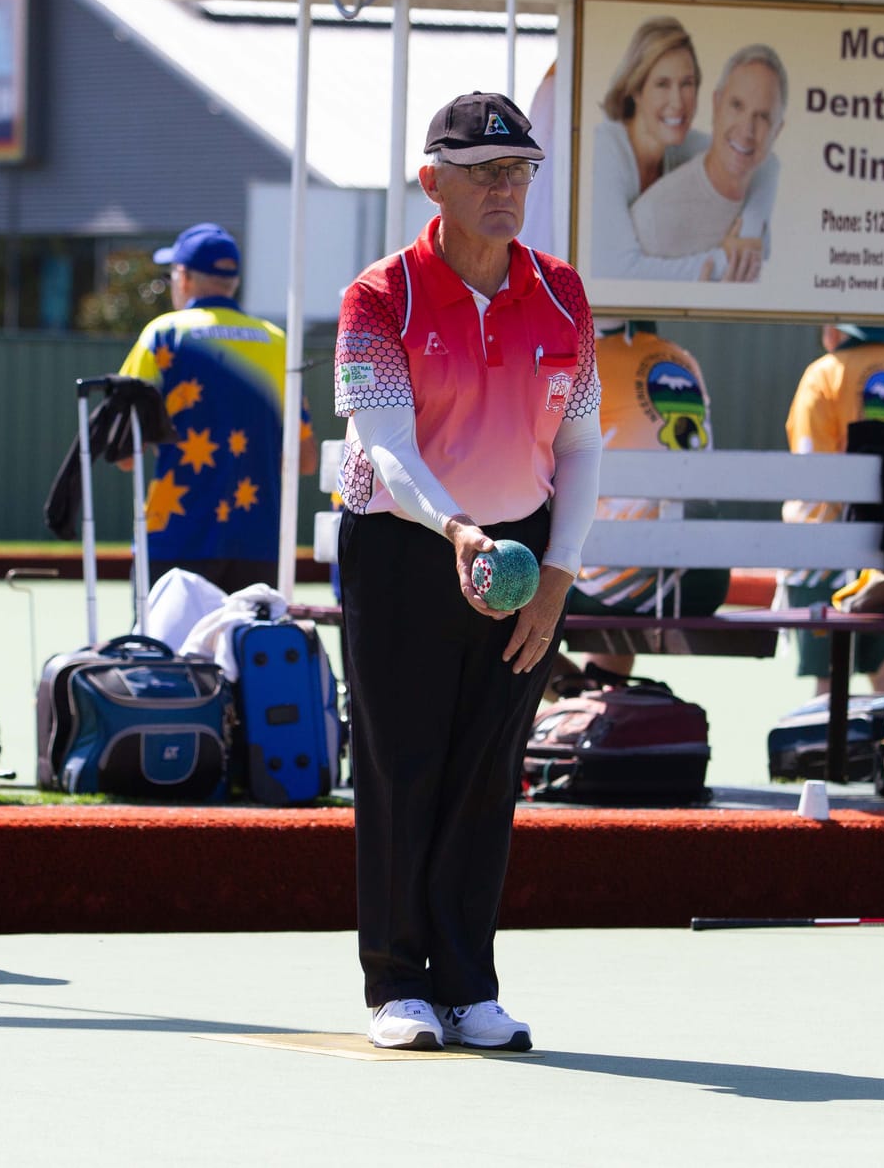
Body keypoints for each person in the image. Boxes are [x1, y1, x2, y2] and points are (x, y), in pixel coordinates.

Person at [334, 91, 602, 1053]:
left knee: (489, 772)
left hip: (522, 556)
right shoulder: (379, 296)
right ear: (431, 180)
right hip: (406, 545)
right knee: (402, 766)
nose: (505, 188)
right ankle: (397, 985)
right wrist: (453, 526)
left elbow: (580, 444)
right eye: (484, 170)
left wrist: (560, 574)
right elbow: (385, 443)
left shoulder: (564, 293)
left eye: (519, 170)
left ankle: (468, 984)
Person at [117, 223, 316, 594]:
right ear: (232, 281)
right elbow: (305, 459)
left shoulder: (163, 334)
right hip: (259, 543)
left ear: (185, 278)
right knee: (244, 651)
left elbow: (124, 451)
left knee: (167, 652)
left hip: (175, 538)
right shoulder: (277, 342)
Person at [781, 324, 884, 699]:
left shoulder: (825, 373)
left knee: (828, 682)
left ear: (835, 328)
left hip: (824, 551)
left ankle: (824, 751)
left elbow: (811, 471)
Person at [566, 319, 729, 680]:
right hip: (705, 580)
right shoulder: (683, 359)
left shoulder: (584, 358)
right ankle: (597, 703)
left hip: (631, 583)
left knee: (508, 594)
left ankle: (571, 697)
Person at [587, 18, 778, 283]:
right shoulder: (606, 151)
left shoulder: (676, 141)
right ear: (636, 90)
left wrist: (748, 234)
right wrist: (725, 261)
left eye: (687, 84)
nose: (677, 102)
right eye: (662, 84)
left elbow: (766, 162)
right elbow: (616, 271)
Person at [627, 43, 789, 276]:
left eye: (763, 117)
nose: (747, 130)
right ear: (716, 105)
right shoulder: (653, 218)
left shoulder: (774, 196)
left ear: (777, 131)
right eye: (737, 106)